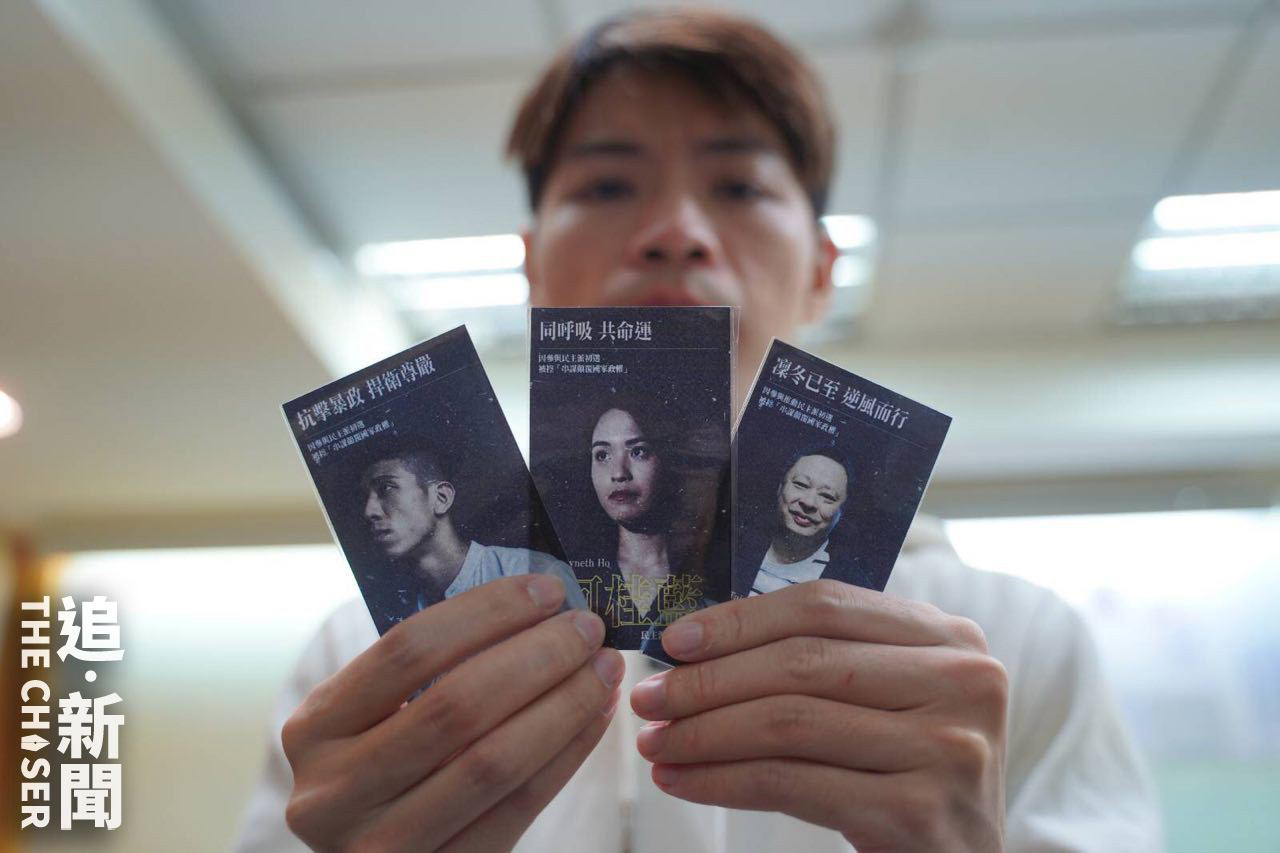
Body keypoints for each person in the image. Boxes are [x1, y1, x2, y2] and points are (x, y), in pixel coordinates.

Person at [235, 9, 1162, 852]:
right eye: (607, 184)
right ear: (531, 264)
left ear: (821, 270)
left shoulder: (1008, 646)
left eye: (739, 187)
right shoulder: (364, 662)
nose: (675, 231)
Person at [357, 445, 586, 620]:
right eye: (364, 498)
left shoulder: (538, 572)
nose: (369, 511)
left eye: (386, 488)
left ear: (441, 498)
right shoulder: (400, 613)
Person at [749, 449, 851, 596]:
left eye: (827, 496)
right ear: (780, 487)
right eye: (801, 484)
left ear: (842, 510)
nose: (809, 503)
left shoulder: (850, 587)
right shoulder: (735, 543)